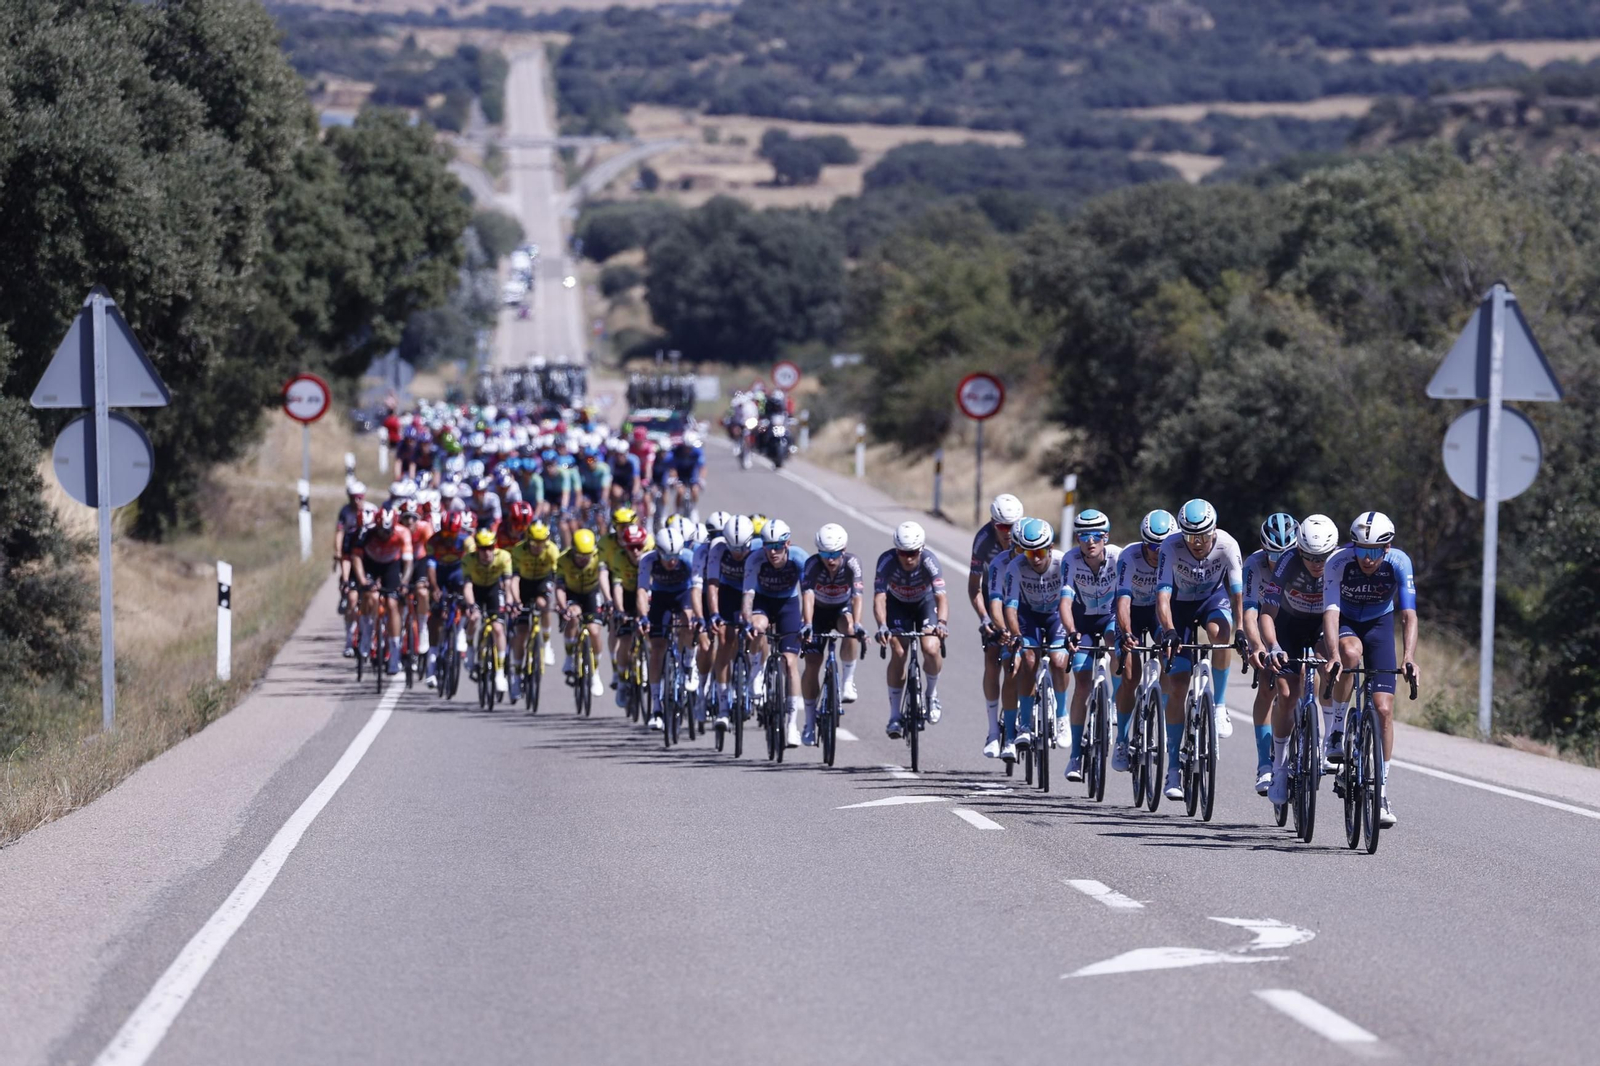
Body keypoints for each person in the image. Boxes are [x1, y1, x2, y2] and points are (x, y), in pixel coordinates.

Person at [1321, 511, 1418, 828]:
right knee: (1349, 654)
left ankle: (1381, 792)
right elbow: (1332, 611)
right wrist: (1333, 652)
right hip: (1346, 621)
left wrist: (1409, 657)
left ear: (1387, 548)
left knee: (1384, 709)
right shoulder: (1337, 563)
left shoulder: (1400, 563)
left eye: (1374, 551)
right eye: (1362, 550)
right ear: (1353, 546)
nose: (1367, 558)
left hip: (1379, 624)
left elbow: (1409, 616)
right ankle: (1337, 727)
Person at [1154, 499, 1246, 802]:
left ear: (1214, 530)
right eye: (1190, 537)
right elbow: (1163, 598)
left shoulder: (1228, 546)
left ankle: (1218, 706)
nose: (1197, 543)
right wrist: (1168, 630)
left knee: (1222, 634)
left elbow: (1237, 597)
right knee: (1178, 685)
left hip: (1212, 600)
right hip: (1177, 608)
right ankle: (1173, 769)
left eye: (1204, 536)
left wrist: (1242, 629)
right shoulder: (1169, 547)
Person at [1261, 514, 1338, 802]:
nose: (1317, 564)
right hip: (1289, 628)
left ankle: (1331, 738)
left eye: (1323, 557)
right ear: (1298, 550)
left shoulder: (1339, 563)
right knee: (1288, 694)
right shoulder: (1287, 562)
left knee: (1331, 668)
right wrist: (1273, 645)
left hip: (1322, 626)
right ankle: (1279, 768)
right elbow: (1267, 613)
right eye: (1309, 556)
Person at [1059, 509, 1123, 782]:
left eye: (1095, 536)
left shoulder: (1119, 557)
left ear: (1105, 537)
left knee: (1116, 647)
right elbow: (1064, 601)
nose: (1090, 542)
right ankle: (1075, 755)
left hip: (1109, 617)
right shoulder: (1070, 560)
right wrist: (1071, 631)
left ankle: (1119, 709)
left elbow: (1126, 598)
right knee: (1082, 681)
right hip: (1082, 622)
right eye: (1083, 536)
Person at [1000, 518, 1068, 762]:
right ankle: (1026, 724)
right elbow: (1010, 606)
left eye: (1039, 551)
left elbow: (1071, 601)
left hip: (1056, 615)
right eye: (1029, 552)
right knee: (1028, 659)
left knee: (1060, 661)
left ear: (1049, 548)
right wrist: (1017, 635)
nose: (1035, 558)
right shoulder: (1016, 566)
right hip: (1028, 616)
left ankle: (1062, 715)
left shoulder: (1063, 563)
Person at [873, 521, 948, 738]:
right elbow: (879, 597)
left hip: (924, 604)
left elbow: (941, 597)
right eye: (903, 553)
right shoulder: (886, 561)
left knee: (931, 647)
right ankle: (895, 715)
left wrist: (941, 623)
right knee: (898, 652)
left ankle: (931, 695)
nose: (907, 558)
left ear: (921, 549)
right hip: (897, 606)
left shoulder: (930, 561)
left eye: (912, 553)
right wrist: (882, 626)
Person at [1113, 509, 1174, 771]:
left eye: (1162, 546)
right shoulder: (1129, 556)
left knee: (1171, 656)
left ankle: (1158, 710)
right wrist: (1126, 632)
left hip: (1157, 615)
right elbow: (1123, 601)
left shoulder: (1174, 556)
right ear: (1142, 542)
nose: (1157, 552)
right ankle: (1122, 740)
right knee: (1129, 676)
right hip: (1133, 615)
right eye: (1151, 545)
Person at [1242, 512, 1298, 793]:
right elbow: (1250, 613)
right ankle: (1265, 763)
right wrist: (1257, 646)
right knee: (1269, 686)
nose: (1280, 563)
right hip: (1268, 622)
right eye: (1275, 556)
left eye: (1287, 555)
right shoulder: (1253, 565)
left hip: (1299, 621)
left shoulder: (1307, 561)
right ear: (1264, 551)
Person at [742, 520, 808, 747]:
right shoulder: (755, 558)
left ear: (787, 543)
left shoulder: (800, 558)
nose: (772, 551)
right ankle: (756, 670)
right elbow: (748, 595)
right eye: (768, 546)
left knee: (790, 664)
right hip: (763, 602)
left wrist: (808, 623)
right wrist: (747, 621)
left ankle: (791, 725)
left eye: (778, 546)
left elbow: (808, 594)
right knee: (758, 626)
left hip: (788, 603)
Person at [800, 523, 865, 740]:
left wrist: (858, 624)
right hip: (817, 613)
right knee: (812, 664)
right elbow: (807, 596)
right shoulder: (811, 565)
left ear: (843, 551)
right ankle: (809, 723)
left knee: (849, 628)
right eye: (825, 554)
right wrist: (807, 623)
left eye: (835, 554)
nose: (830, 559)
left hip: (840, 610)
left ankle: (847, 682)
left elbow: (857, 596)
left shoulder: (852, 563)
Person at [971, 493, 1024, 757]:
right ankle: (993, 731)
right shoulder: (983, 541)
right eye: (1002, 527)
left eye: (1012, 526)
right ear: (993, 524)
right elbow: (974, 589)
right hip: (993, 596)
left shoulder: (1028, 534)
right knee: (993, 658)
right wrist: (984, 618)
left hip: (1024, 596)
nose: (1008, 532)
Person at [637, 526, 700, 730]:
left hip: (684, 594)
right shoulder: (648, 560)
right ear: (658, 551)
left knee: (688, 620)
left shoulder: (689, 558)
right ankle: (656, 708)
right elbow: (642, 591)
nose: (672, 561)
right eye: (667, 556)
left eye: (675, 555)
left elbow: (696, 590)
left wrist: (697, 615)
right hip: (661, 598)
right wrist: (644, 617)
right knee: (657, 649)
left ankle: (689, 662)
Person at [706, 515, 758, 726]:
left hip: (754, 591)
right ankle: (723, 704)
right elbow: (712, 583)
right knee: (725, 641)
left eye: (742, 549)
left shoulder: (759, 548)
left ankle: (757, 673)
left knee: (758, 630)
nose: (737, 554)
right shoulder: (718, 549)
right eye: (733, 549)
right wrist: (715, 613)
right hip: (729, 591)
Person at [349, 507, 414, 675]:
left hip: (390, 565)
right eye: (381, 531)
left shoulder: (402, 532)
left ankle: (394, 653)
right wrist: (363, 581)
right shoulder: (367, 532)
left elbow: (408, 563)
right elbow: (356, 557)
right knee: (370, 595)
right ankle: (366, 634)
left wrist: (404, 582)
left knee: (392, 604)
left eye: (388, 531)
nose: (384, 535)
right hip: (371, 563)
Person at [508, 520, 560, 702]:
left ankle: (545, 642)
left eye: (542, 543)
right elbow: (513, 580)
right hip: (523, 584)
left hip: (541, 581)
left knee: (544, 604)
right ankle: (516, 674)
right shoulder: (518, 551)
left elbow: (555, 581)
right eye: (534, 543)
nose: (538, 547)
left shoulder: (552, 550)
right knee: (521, 632)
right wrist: (516, 601)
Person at [555, 528, 609, 699]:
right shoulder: (563, 559)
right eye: (580, 556)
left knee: (594, 631)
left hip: (592, 593)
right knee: (573, 617)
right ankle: (570, 657)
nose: (584, 559)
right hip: (572, 594)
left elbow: (603, 578)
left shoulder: (598, 556)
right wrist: (563, 607)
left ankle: (595, 672)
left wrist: (608, 599)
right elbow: (560, 587)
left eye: (587, 555)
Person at [461, 528, 512, 695]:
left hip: (493, 590)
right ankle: (469, 649)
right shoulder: (469, 559)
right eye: (482, 549)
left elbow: (508, 584)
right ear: (477, 549)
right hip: (476, 590)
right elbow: (467, 587)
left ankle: (500, 672)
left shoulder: (504, 557)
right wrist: (471, 605)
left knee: (498, 628)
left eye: (490, 547)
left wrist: (510, 601)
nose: (486, 552)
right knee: (474, 618)